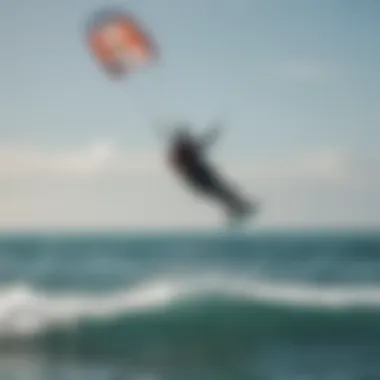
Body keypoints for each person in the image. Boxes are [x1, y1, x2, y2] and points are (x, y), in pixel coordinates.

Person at [167, 122, 256, 223]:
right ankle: (239, 208)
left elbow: (201, 145)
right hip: (197, 175)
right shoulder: (182, 151)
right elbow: (200, 146)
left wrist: (212, 135)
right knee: (220, 191)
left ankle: (239, 208)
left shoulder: (182, 150)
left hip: (199, 174)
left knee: (221, 191)